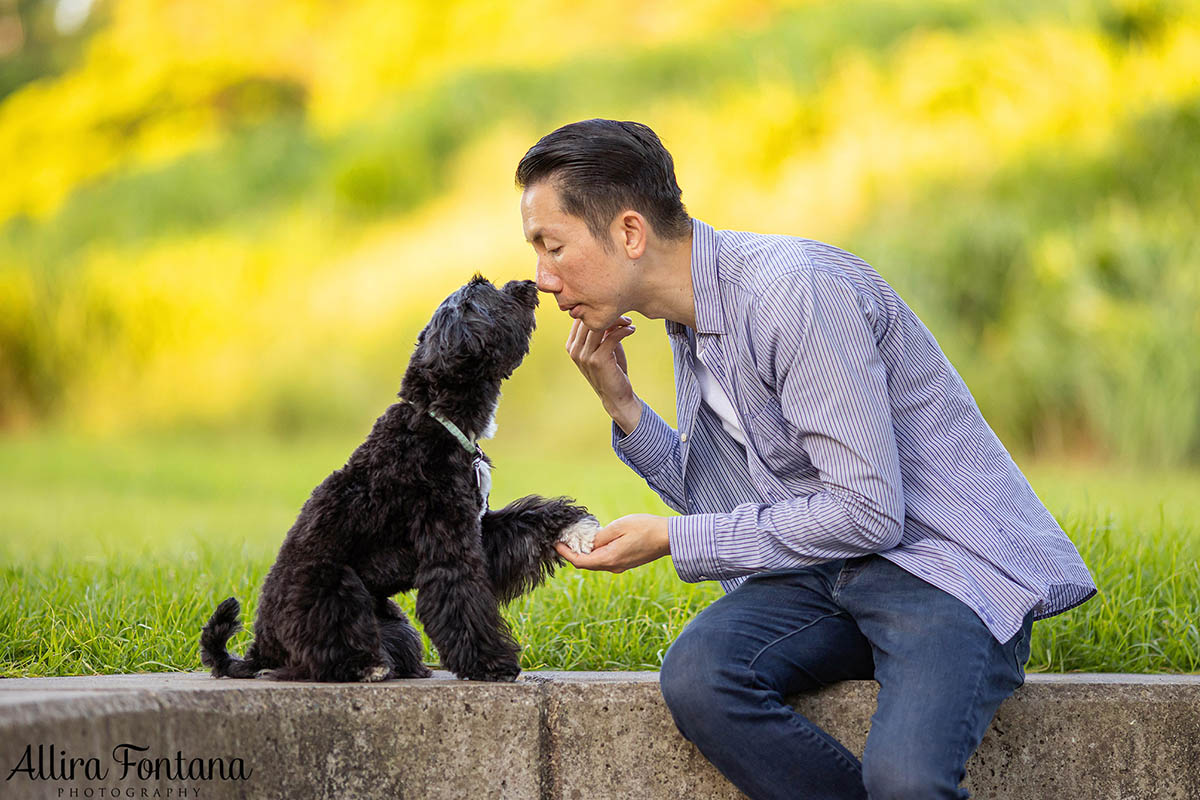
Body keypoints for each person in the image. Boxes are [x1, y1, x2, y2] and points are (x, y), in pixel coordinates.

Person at [515, 118, 1096, 800]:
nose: (542, 278)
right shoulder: (692, 324)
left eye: (551, 246)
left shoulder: (793, 295)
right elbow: (730, 508)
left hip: (938, 568)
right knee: (701, 676)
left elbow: (869, 513)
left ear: (631, 233)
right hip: (826, 574)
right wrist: (622, 403)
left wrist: (670, 539)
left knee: (906, 783)